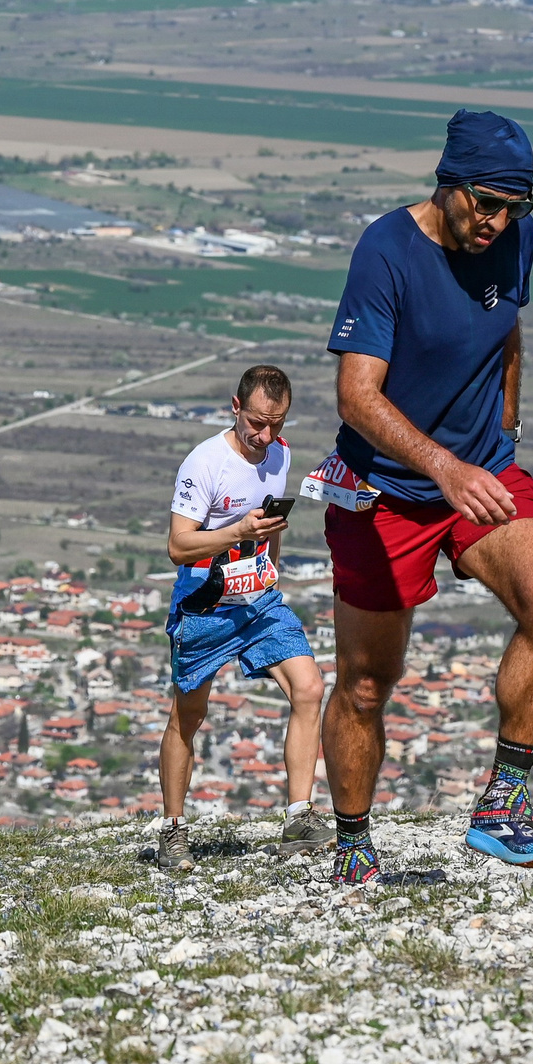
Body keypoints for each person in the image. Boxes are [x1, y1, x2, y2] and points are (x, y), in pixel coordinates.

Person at [315, 107, 533, 885]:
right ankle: (353, 845)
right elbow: (356, 395)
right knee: (368, 680)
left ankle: (501, 808)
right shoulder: (386, 250)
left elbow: (510, 331)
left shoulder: (513, 236)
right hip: (386, 486)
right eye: (487, 204)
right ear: (449, 183)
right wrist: (442, 467)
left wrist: (505, 431)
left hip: (480, 468)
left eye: (515, 208)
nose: (499, 222)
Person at [156, 365, 331, 873]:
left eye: (276, 424)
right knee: (188, 717)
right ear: (235, 407)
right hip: (205, 601)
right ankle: (173, 829)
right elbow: (177, 545)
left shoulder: (281, 453)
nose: (265, 436)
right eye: (256, 423)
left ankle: (299, 816)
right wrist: (237, 531)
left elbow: (271, 518)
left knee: (310, 687)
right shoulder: (203, 464)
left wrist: (271, 560)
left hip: (257, 598)